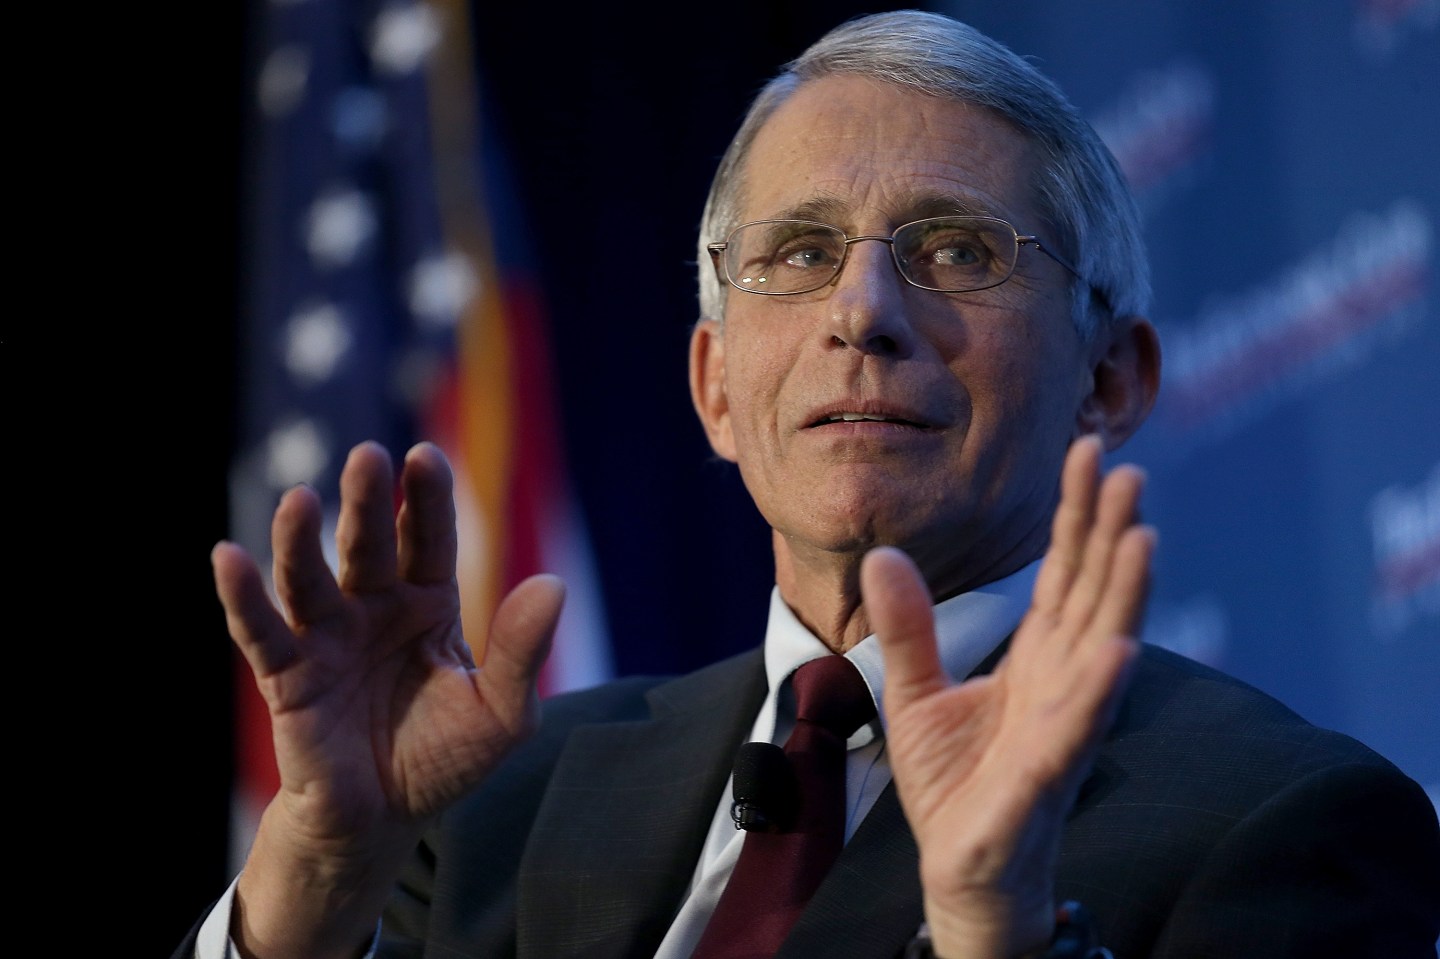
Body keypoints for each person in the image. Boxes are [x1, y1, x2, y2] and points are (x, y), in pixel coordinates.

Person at [175, 10, 1440, 959]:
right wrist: (314, 867)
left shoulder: (1289, 819)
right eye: (798, 252)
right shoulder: (491, 805)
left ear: (1110, 378)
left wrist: (993, 925)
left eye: (957, 249)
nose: (862, 310)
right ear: (715, 388)